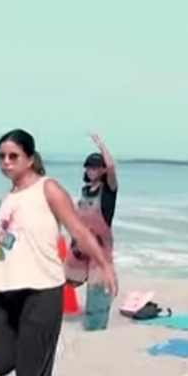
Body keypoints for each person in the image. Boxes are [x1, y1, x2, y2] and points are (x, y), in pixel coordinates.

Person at [0, 129, 117, 376]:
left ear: (30, 159)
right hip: (3, 290)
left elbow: (78, 230)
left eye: (13, 156)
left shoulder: (48, 188)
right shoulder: (7, 197)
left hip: (42, 290)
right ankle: (37, 353)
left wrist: (104, 265)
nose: (6, 162)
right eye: (1, 156)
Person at [66, 134, 118, 329]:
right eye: (89, 167)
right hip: (80, 243)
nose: (91, 170)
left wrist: (101, 145)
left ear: (102, 170)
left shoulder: (109, 190)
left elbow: (111, 168)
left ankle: (95, 325)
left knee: (97, 286)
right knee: (66, 278)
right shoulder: (85, 190)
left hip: (100, 246)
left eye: (96, 167)